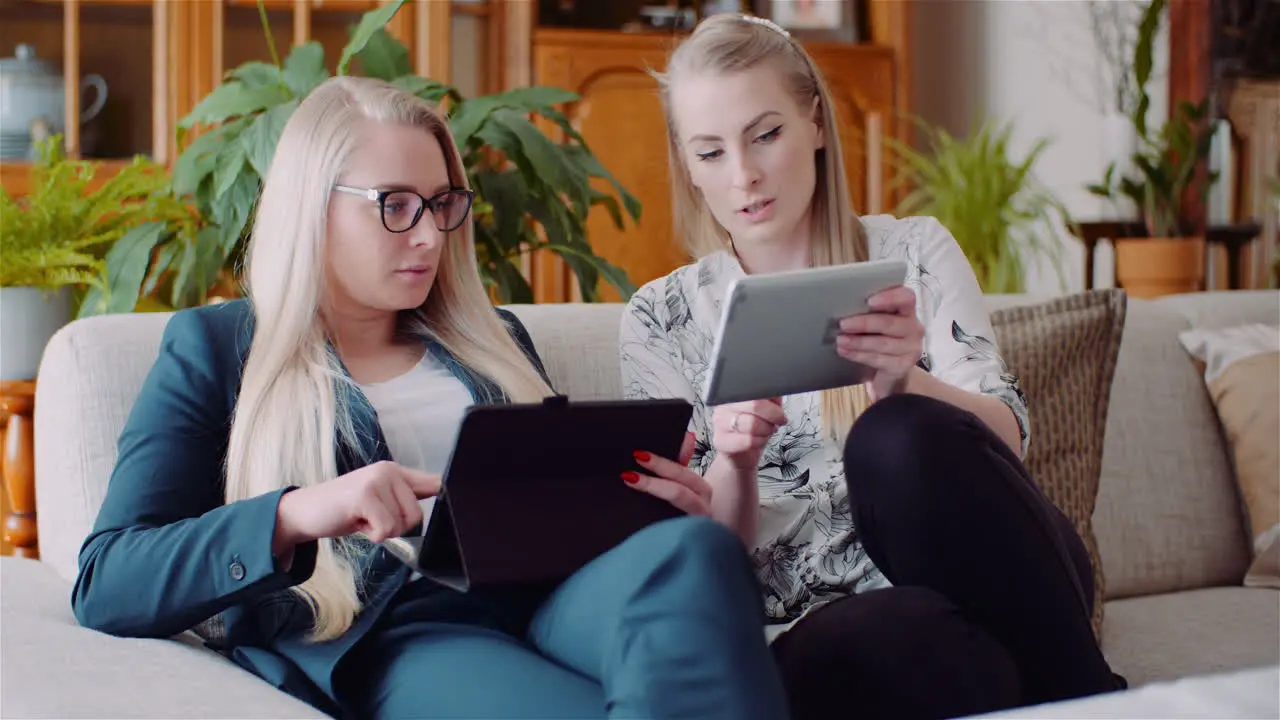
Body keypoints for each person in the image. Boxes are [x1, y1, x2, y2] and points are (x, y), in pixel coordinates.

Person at [70, 75, 790, 720]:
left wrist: (645, 506)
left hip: (546, 594)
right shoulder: (218, 349)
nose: (428, 236)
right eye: (395, 206)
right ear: (312, 207)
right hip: (401, 628)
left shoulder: (492, 338)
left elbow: (554, 508)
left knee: (691, 549)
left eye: (441, 204)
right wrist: (298, 513)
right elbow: (108, 578)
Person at [618, 13, 1126, 720]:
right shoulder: (660, 318)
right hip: (844, 624)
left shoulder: (915, 250)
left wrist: (902, 383)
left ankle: (1091, 700)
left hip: (996, 567)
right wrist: (734, 462)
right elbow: (707, 568)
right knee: (906, 638)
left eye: (766, 134)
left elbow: (1005, 445)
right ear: (687, 165)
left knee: (897, 434)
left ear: (817, 124)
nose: (745, 175)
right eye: (710, 153)